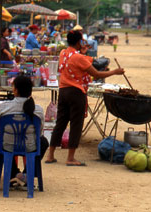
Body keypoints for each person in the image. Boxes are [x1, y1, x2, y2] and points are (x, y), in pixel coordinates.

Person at [46, 31, 124, 166]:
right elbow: (97, 73)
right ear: (79, 42)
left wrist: (82, 51)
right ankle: (70, 158)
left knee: (60, 124)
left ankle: (50, 155)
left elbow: (81, 60)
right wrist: (115, 72)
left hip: (63, 91)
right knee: (76, 124)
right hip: (76, 92)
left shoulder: (63, 53)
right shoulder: (78, 58)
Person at [0, 75, 49, 185]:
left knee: (0, 140)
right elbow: (39, 132)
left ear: (15, 90)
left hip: (8, 145)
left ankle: (15, 174)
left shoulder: (4, 107)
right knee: (43, 142)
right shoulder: (38, 110)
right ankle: (27, 174)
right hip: (30, 146)